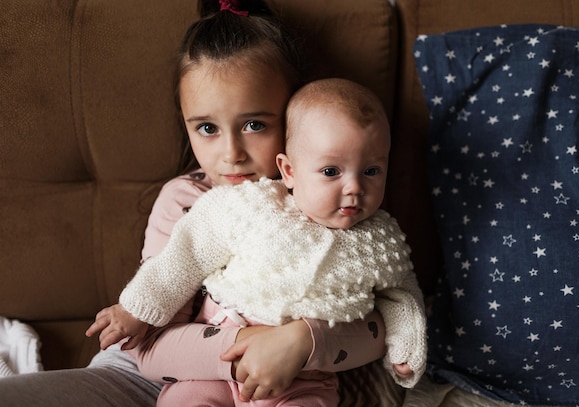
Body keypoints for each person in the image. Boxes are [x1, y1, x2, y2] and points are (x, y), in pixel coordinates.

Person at [0, 1, 390, 406]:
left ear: (294, 116)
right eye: (207, 128)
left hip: (284, 383)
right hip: (137, 377)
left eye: (255, 124)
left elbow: (381, 329)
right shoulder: (186, 199)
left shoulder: (334, 200)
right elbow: (149, 348)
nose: (231, 153)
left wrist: (303, 341)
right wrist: (251, 343)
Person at [87, 78, 427, 406]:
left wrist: (405, 346)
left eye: (371, 171)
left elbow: (402, 295)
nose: (354, 188)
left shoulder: (381, 239)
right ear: (290, 170)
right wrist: (138, 306)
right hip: (213, 363)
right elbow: (186, 254)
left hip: (304, 379)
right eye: (331, 172)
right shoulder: (255, 204)